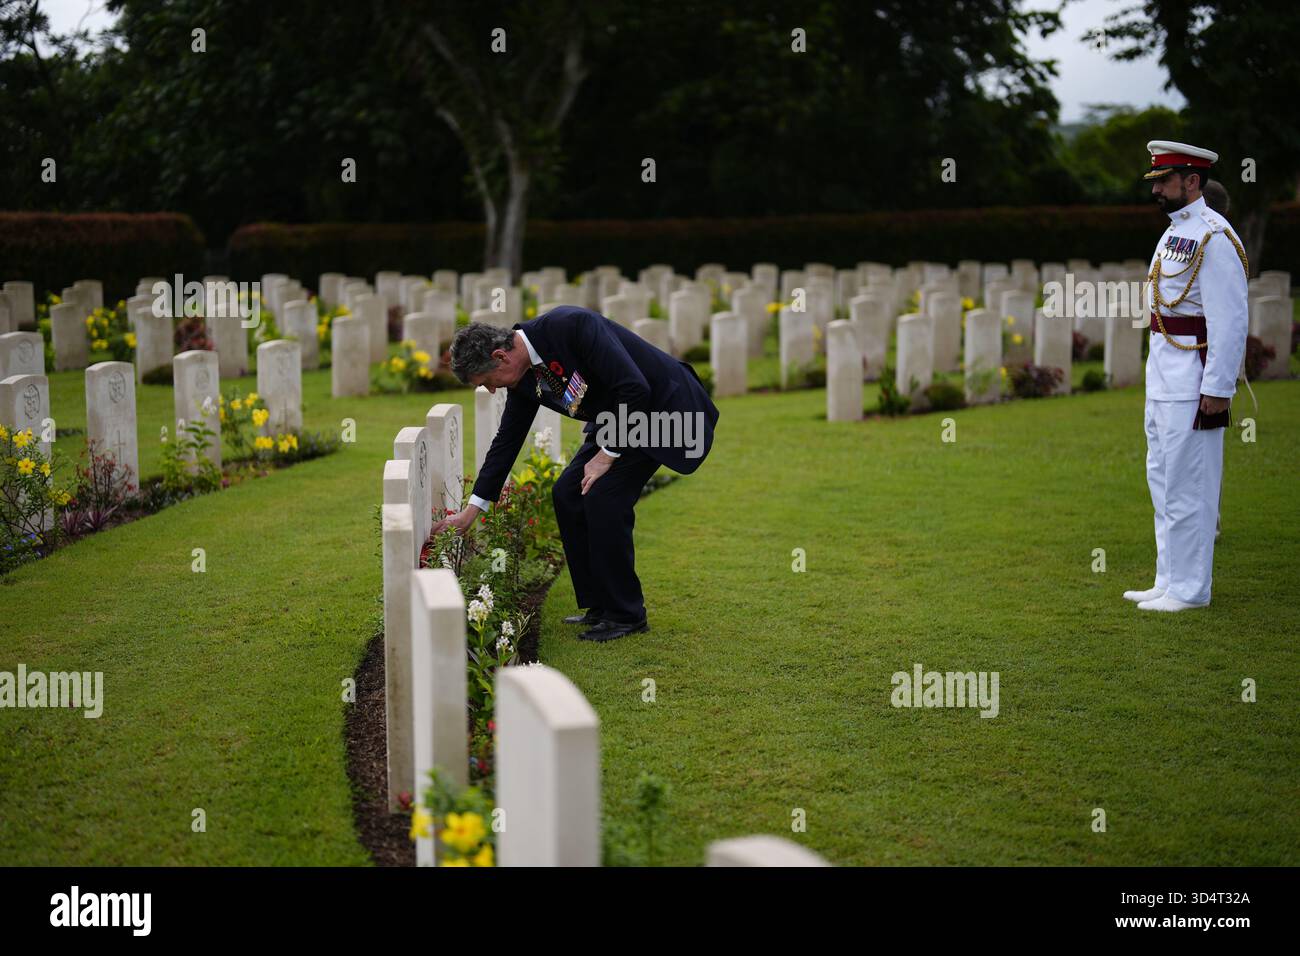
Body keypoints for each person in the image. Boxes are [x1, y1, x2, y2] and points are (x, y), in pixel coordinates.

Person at [433, 306, 719, 641]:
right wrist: (473, 510)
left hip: (664, 412)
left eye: (487, 383)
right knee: (568, 492)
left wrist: (606, 455)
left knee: (603, 497)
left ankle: (626, 615)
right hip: (621, 417)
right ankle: (599, 604)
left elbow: (634, 387)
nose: (492, 390)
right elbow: (507, 440)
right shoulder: (525, 375)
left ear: (500, 356)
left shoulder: (571, 326)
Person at [1122, 141, 1248, 612]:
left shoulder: (1215, 236)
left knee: (1190, 484)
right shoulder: (1176, 232)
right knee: (1164, 480)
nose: (1156, 189)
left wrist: (1217, 388)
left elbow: (1230, 319)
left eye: (1164, 181)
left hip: (1193, 380)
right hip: (1163, 376)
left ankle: (1192, 590)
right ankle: (1168, 578)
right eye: (1155, 181)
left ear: (1191, 182)